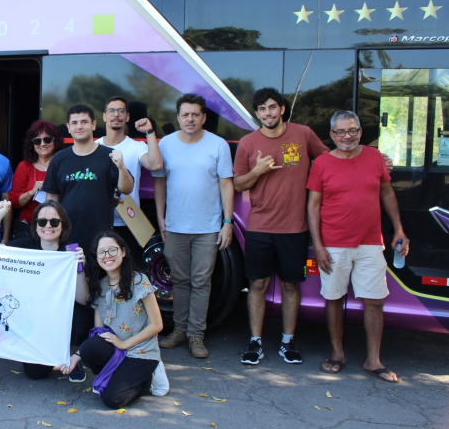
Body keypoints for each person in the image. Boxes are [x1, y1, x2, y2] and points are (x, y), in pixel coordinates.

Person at [308, 110, 409, 384]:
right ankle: (337, 354)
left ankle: (373, 360)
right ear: (331, 135)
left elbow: (387, 193)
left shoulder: (375, 158)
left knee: (375, 301)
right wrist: (318, 246)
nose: (346, 136)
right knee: (334, 298)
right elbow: (313, 206)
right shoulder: (322, 164)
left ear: (360, 131)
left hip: (370, 243)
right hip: (333, 244)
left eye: (352, 130)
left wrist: (398, 228)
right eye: (340, 132)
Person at [232, 88, 328, 365]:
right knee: (257, 284)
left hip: (295, 227)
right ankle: (255, 342)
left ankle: (288, 342)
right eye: (262, 109)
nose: (268, 113)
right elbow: (238, 184)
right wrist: (257, 171)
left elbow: (329, 160)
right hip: (260, 226)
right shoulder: (248, 143)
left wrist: (372, 158)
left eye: (272, 107)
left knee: (290, 286)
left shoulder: (303, 134)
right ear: (257, 113)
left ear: (282, 109)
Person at [153, 93, 233, 359]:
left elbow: (226, 184)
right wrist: (161, 218)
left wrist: (227, 222)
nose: (190, 119)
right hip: (175, 226)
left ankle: (196, 336)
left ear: (204, 118)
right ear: (178, 117)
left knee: (201, 282)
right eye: (185, 114)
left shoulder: (218, 145)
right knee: (180, 281)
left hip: (208, 228)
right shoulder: (165, 144)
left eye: (195, 114)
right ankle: (179, 330)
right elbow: (160, 183)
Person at [0, 200, 90, 381]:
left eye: (54, 222)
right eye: (42, 222)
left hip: (61, 316)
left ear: (62, 224)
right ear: (36, 226)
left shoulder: (70, 251)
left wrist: (80, 270)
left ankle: (72, 357)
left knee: (82, 318)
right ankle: (44, 349)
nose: (48, 226)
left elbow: (83, 299)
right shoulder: (25, 247)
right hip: (33, 316)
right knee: (34, 374)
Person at [70, 231, 168, 409]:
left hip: (141, 351)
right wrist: (79, 354)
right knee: (90, 348)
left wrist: (124, 344)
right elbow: (98, 332)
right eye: (102, 252)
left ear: (123, 251)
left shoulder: (139, 281)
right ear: (97, 257)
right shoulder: (101, 286)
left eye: (112, 250)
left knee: (111, 399)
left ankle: (150, 379)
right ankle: (119, 376)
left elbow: (157, 325)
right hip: (117, 349)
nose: (107, 256)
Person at [44, 104, 133, 247]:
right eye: (74, 123)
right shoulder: (59, 159)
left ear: (93, 125)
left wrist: (121, 167)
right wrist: (51, 227)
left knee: (99, 269)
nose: (79, 126)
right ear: (68, 127)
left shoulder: (108, 155)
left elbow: (127, 189)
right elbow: (52, 197)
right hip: (68, 235)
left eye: (84, 122)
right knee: (75, 269)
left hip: (101, 235)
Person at [97, 96, 163, 256]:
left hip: (130, 222)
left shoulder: (136, 147)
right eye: (111, 111)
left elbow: (156, 165)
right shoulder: (95, 147)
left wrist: (149, 131)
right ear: (104, 116)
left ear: (127, 117)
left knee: (132, 273)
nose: (116, 115)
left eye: (121, 111)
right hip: (100, 221)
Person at [8, 120, 63, 242]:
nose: (42, 144)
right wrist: (32, 192)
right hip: (28, 227)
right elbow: (15, 201)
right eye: (37, 141)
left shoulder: (64, 165)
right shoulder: (24, 166)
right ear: (31, 144)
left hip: (56, 227)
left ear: (55, 141)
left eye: (47, 140)